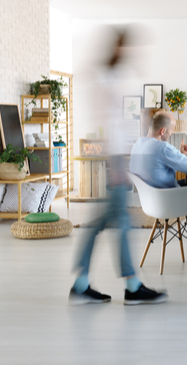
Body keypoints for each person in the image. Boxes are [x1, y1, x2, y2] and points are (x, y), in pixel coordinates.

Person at [69, 26, 167, 305]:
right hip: (115, 161)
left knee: (101, 222)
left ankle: (81, 283)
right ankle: (132, 286)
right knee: (121, 223)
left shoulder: (112, 76)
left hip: (119, 159)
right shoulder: (104, 78)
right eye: (131, 49)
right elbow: (108, 122)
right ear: (119, 48)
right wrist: (116, 165)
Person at [129, 111, 187, 262]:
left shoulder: (137, 146)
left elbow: (156, 167)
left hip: (152, 200)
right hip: (168, 201)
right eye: (171, 130)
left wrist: (180, 155)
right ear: (163, 131)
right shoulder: (162, 148)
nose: (172, 133)